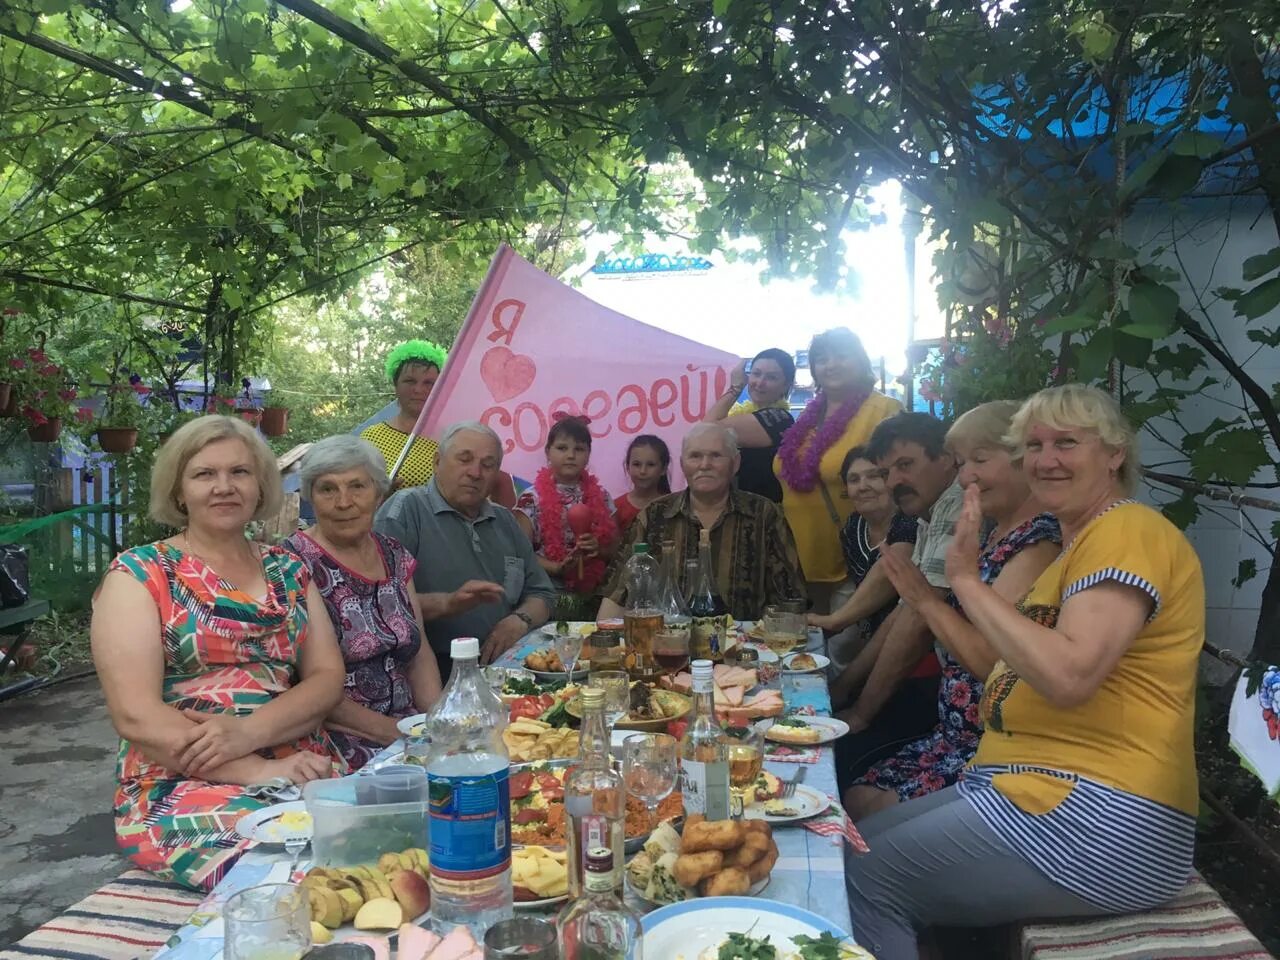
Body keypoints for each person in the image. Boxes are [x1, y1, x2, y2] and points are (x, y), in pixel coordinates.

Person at [847, 385, 1205, 960]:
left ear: (1114, 454)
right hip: (1038, 787)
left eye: (1068, 442)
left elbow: (1068, 676)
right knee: (854, 843)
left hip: (1102, 813)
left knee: (863, 882)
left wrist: (962, 581)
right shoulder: (1074, 548)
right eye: (1034, 444)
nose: (1046, 459)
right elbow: (1013, 667)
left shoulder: (1127, 531)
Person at [91, 416, 346, 891]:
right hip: (180, 780)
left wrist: (247, 733)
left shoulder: (288, 568)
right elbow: (135, 715)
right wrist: (258, 769)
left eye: (240, 473)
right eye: (205, 474)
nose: (224, 487)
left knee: (383, 836)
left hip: (302, 761)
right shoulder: (141, 574)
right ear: (179, 490)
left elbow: (327, 677)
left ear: (260, 485)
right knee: (299, 869)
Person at [846, 402, 1059, 820]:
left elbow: (990, 663)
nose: (966, 478)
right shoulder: (992, 531)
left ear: (1025, 460)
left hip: (991, 746)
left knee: (856, 813)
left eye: (978, 460)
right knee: (853, 796)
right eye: (963, 464)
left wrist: (924, 598)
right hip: (953, 732)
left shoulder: (1037, 544)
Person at [282, 436, 443, 770]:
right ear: (310, 495)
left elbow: (419, 651)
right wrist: (401, 738)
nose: (344, 502)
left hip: (408, 730)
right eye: (328, 489)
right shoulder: (291, 563)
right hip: (336, 741)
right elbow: (304, 682)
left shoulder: (394, 554)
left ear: (379, 493)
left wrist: (437, 725)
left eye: (358, 486)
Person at [828, 413, 959, 797]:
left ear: (948, 457)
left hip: (954, 702)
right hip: (948, 693)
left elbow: (919, 619)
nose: (894, 481)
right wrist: (844, 687)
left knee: (844, 761)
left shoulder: (956, 506)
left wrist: (860, 713)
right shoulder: (925, 515)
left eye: (906, 465)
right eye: (887, 472)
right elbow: (907, 608)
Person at [374, 421, 555, 671]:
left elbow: (542, 593)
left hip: (506, 667)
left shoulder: (504, 520)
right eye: (464, 459)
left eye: (488, 465)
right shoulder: (405, 510)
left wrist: (518, 620)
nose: (475, 472)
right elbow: (380, 603)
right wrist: (449, 603)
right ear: (437, 462)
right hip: (430, 670)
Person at [598, 423, 806, 621]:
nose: (705, 465)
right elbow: (618, 592)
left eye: (716, 456)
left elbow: (790, 598)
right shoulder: (654, 515)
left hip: (745, 650)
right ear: (682, 464)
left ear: (736, 463)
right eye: (695, 456)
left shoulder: (764, 514)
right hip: (667, 646)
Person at [774, 329, 900, 614]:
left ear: (861, 360)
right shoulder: (807, 417)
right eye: (822, 359)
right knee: (805, 654)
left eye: (842, 356)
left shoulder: (884, 410)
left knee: (845, 653)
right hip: (798, 558)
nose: (831, 365)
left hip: (853, 557)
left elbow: (899, 479)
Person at [359, 340, 516, 505]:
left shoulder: (461, 436)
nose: (419, 390)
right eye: (410, 381)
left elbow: (501, 484)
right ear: (395, 385)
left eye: (429, 383)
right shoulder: (370, 438)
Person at [809, 446, 918, 673]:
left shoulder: (910, 521)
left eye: (874, 476)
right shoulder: (853, 526)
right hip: (870, 644)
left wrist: (835, 620)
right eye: (854, 479)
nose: (863, 486)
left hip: (913, 646)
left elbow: (889, 570)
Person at [514, 414, 620, 619]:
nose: (571, 455)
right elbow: (520, 554)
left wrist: (598, 549)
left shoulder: (603, 496)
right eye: (562, 448)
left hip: (594, 593)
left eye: (579, 449)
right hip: (547, 592)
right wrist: (556, 567)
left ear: (588, 455)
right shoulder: (530, 499)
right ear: (548, 452)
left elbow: (617, 548)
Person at [704, 348, 796, 502]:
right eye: (756, 374)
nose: (760, 383)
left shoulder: (779, 419)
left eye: (771, 377)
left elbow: (706, 431)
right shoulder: (744, 415)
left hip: (762, 515)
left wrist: (736, 388)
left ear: (786, 385)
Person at [614, 434, 672, 532]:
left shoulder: (673, 506)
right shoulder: (616, 509)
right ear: (627, 467)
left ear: (663, 468)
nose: (643, 471)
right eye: (636, 464)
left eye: (650, 465)